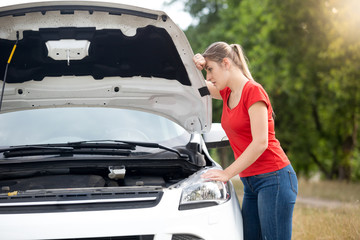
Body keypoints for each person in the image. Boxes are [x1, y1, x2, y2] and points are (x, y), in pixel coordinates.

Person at [193, 42, 298, 240]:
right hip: (251, 182)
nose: (208, 77)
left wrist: (226, 173)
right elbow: (195, 87)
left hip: (273, 178)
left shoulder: (253, 92)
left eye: (210, 69)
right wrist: (194, 65)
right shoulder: (226, 93)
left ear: (226, 63)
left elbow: (260, 143)